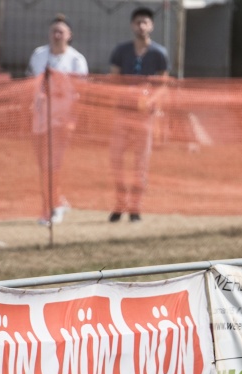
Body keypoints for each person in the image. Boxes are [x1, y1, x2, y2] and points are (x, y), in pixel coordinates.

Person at [25, 14, 89, 226]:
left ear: (69, 35)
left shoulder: (76, 60)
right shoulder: (39, 55)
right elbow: (30, 82)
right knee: (42, 164)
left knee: (53, 164)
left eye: (61, 31)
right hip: (40, 119)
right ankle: (56, 198)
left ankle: (53, 207)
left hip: (62, 121)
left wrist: (73, 120)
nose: (57, 35)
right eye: (54, 31)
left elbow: (82, 93)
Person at [108, 6, 169, 222]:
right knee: (116, 159)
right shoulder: (121, 51)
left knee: (140, 162)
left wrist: (150, 100)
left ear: (151, 26)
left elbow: (163, 84)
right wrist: (126, 94)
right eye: (138, 22)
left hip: (145, 116)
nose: (141, 26)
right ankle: (120, 202)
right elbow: (114, 80)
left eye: (145, 22)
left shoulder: (159, 53)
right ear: (132, 25)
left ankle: (135, 207)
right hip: (123, 113)